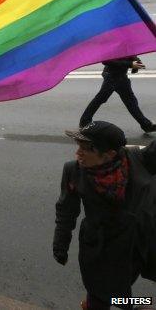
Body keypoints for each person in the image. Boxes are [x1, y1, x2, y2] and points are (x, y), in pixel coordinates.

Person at [54, 121, 156, 308]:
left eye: (86, 149)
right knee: (101, 295)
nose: (78, 153)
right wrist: (61, 244)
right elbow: (66, 210)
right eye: (78, 147)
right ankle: (140, 304)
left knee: (119, 290)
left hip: (137, 242)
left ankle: (139, 303)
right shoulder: (73, 171)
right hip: (101, 246)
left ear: (109, 154)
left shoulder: (139, 160)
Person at [79, 57, 156, 133]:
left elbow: (131, 55)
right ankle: (84, 121)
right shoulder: (112, 45)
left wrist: (137, 62)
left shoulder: (126, 45)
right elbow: (106, 60)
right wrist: (130, 64)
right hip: (111, 76)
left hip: (121, 77)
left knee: (130, 102)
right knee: (100, 99)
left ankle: (146, 125)